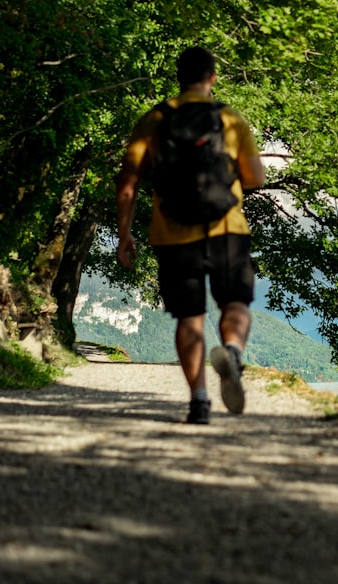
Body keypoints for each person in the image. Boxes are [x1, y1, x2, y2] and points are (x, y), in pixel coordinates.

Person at [116, 47, 266, 424]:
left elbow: (129, 183)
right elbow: (255, 178)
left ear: (178, 77)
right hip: (226, 229)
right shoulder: (230, 120)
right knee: (235, 304)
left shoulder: (154, 119)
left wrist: (124, 233)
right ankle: (231, 350)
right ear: (212, 78)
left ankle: (199, 401)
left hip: (172, 232)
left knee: (190, 318)